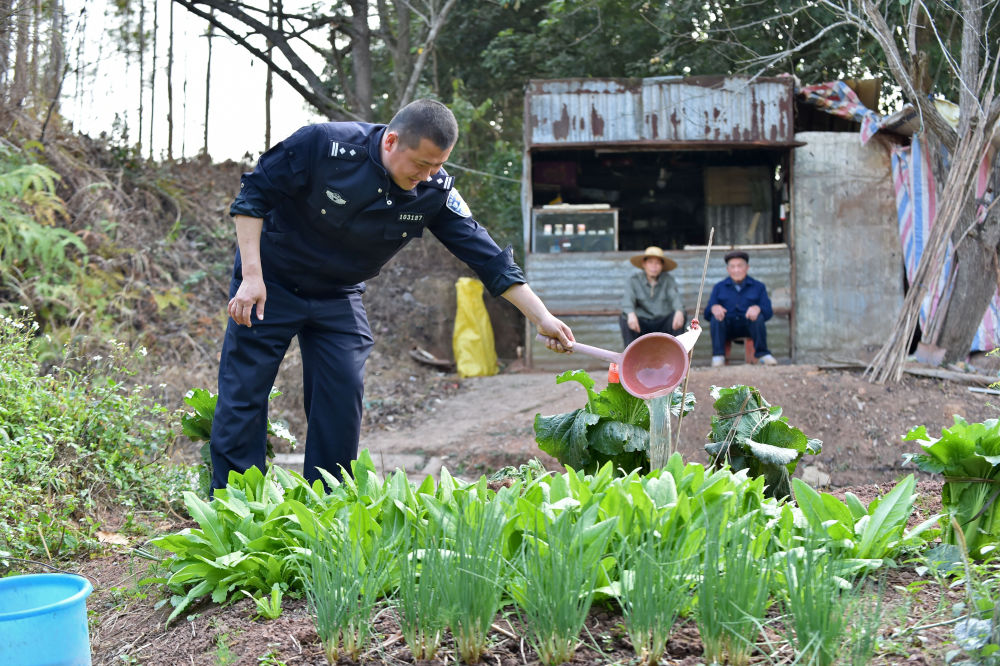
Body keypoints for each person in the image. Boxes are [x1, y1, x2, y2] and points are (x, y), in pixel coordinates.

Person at [210, 98, 574, 493]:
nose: (429, 174)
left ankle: (326, 503)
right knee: (244, 391)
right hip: (270, 282)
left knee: (342, 389)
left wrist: (542, 317)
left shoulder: (434, 188)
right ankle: (234, 504)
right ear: (392, 141)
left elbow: (488, 257)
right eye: (421, 163)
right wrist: (251, 276)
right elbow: (253, 195)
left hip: (337, 294)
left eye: (438, 165)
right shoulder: (323, 144)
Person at [704, 250, 778, 367]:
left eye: (740, 266)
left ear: (747, 268)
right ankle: (718, 357)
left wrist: (758, 308)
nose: (736, 270)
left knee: (758, 317)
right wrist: (714, 308)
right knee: (715, 318)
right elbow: (706, 313)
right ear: (728, 269)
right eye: (732, 267)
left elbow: (768, 311)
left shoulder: (758, 286)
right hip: (727, 329)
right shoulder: (719, 287)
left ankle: (763, 354)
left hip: (749, 328)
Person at [620, 246, 686, 346]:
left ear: (662, 266)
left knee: (681, 315)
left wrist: (679, 311)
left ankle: (676, 356)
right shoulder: (634, 280)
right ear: (644, 264)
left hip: (663, 322)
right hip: (642, 323)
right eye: (650, 262)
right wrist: (630, 314)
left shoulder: (668, 280)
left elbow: (675, 298)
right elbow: (628, 300)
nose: (654, 266)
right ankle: (630, 357)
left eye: (657, 263)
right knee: (625, 317)